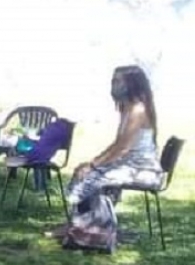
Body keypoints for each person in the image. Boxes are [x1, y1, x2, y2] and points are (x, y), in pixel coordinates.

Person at [60, 65, 164, 250]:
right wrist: (91, 163)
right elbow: (117, 144)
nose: (114, 85)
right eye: (113, 81)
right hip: (129, 166)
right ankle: (80, 228)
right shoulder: (127, 108)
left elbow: (123, 148)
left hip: (143, 171)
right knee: (82, 173)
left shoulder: (138, 110)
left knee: (91, 179)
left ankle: (92, 234)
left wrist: (93, 166)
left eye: (117, 81)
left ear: (131, 83)